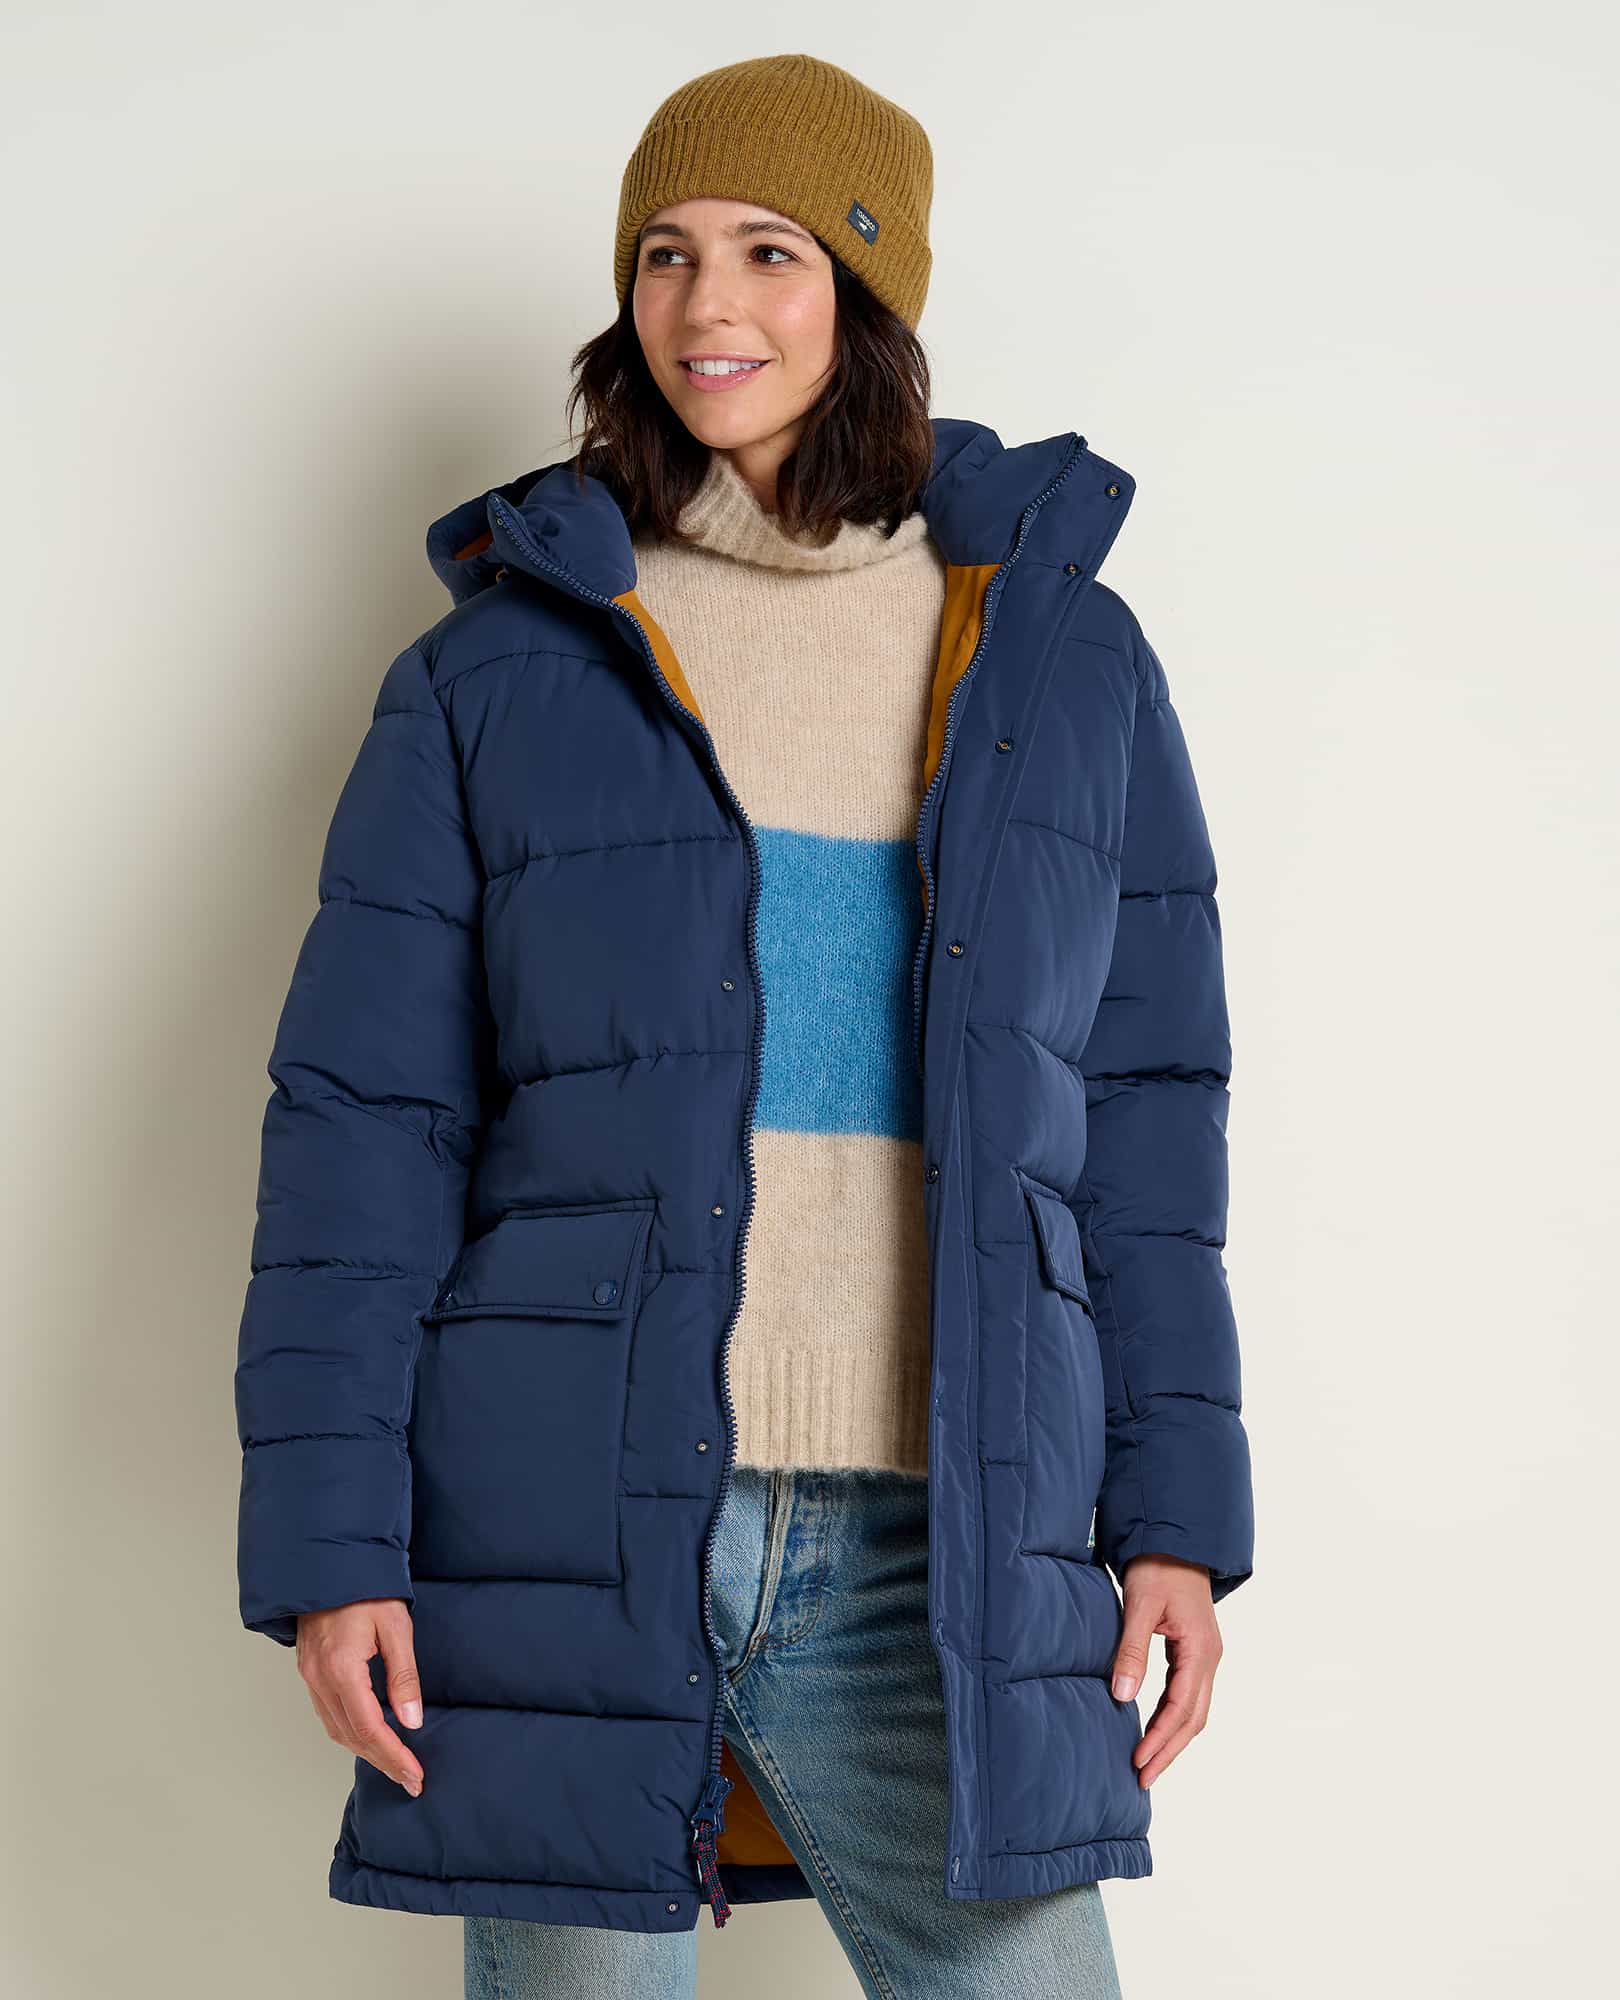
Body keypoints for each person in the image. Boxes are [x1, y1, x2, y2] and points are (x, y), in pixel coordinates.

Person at [234, 51, 1255, 2000]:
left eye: (773, 252)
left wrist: (1176, 1518)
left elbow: (1142, 1119)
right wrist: (331, 1541)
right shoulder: (499, 670)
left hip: (943, 1529)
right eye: (667, 254)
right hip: (566, 1511)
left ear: (868, 294)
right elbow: (365, 1127)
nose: (708, 305)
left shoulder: (1057, 657)